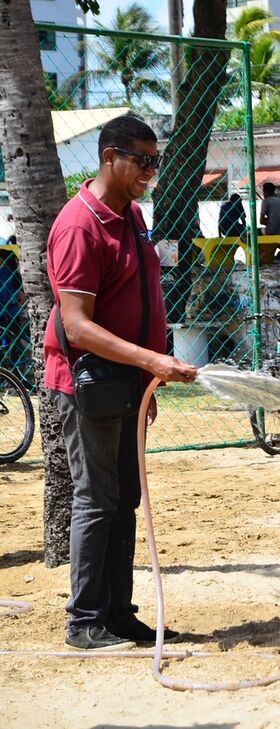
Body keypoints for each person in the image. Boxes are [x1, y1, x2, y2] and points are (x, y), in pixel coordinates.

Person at [45, 115, 198, 651]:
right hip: (85, 384)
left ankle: (118, 614)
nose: (151, 173)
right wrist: (152, 360)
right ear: (109, 157)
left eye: (156, 162)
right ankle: (84, 621)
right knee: (96, 499)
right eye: (143, 161)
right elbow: (77, 325)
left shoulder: (130, 214)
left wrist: (146, 374)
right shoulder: (78, 225)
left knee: (124, 498)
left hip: (127, 382)